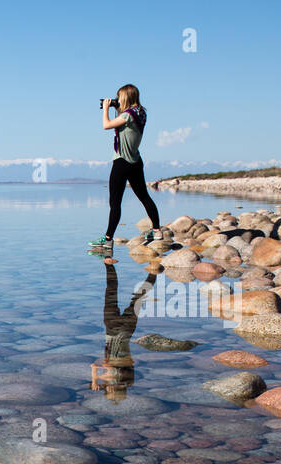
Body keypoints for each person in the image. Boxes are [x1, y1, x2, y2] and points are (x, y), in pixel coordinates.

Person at [89, 84, 161, 253]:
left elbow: (106, 125)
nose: (117, 99)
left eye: (119, 97)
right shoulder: (141, 113)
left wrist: (106, 108)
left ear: (127, 97)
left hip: (121, 163)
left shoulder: (128, 115)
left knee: (115, 203)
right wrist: (117, 107)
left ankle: (107, 240)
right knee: (144, 197)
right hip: (136, 162)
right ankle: (157, 231)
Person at [90, 261, 155, 403]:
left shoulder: (128, 379)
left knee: (137, 299)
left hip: (122, 329)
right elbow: (99, 366)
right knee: (114, 292)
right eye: (109, 391)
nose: (108, 389)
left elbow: (102, 366)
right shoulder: (119, 378)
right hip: (116, 329)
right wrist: (96, 379)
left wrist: (98, 380)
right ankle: (109, 264)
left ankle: (153, 272)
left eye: (107, 390)